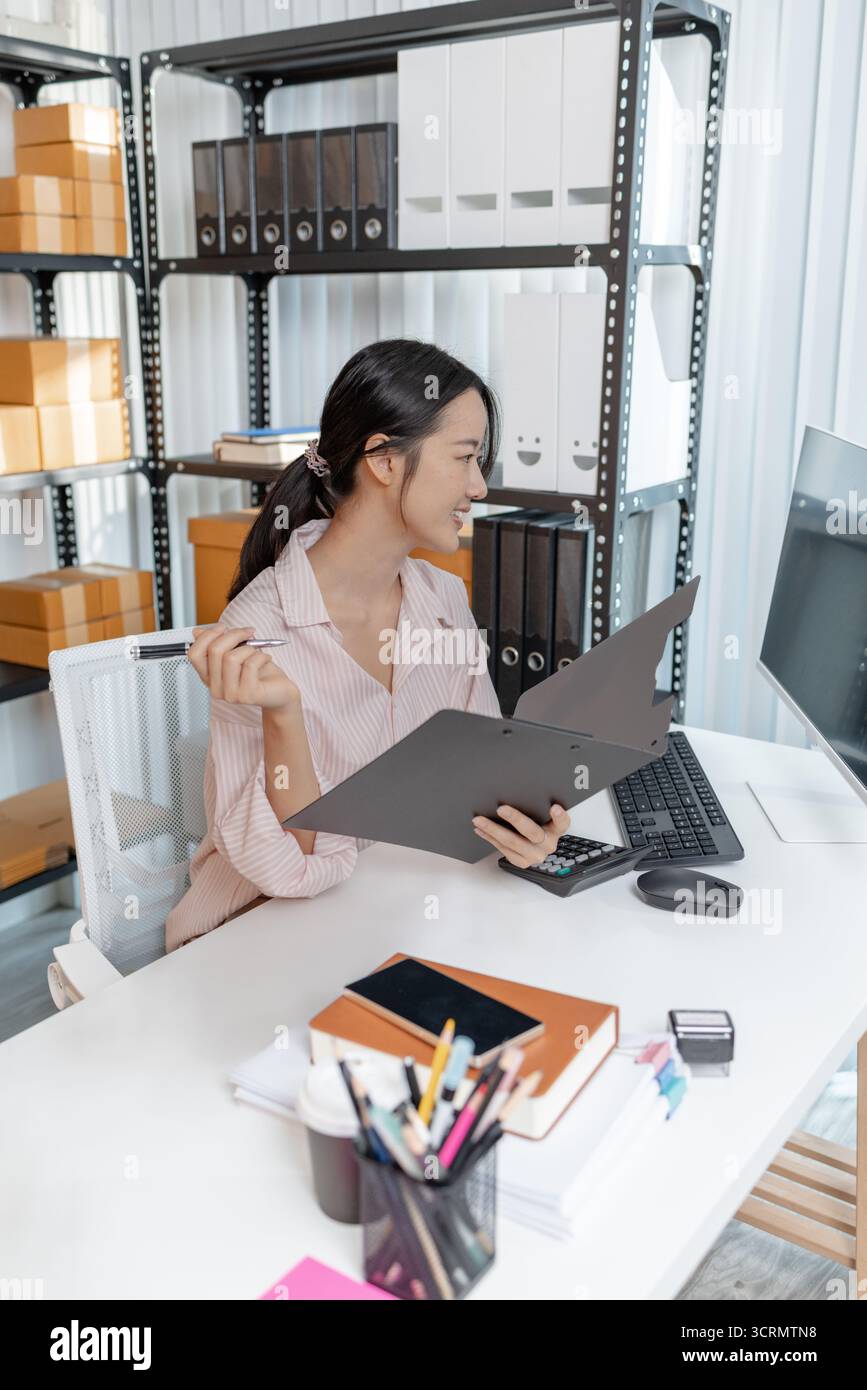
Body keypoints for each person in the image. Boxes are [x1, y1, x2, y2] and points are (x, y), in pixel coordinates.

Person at [165, 339, 570, 951]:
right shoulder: (257, 627)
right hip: (250, 936)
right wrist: (283, 713)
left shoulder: (442, 599)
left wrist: (521, 830)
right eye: (464, 458)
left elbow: (479, 782)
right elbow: (287, 870)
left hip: (388, 913)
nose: (479, 486)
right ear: (383, 460)